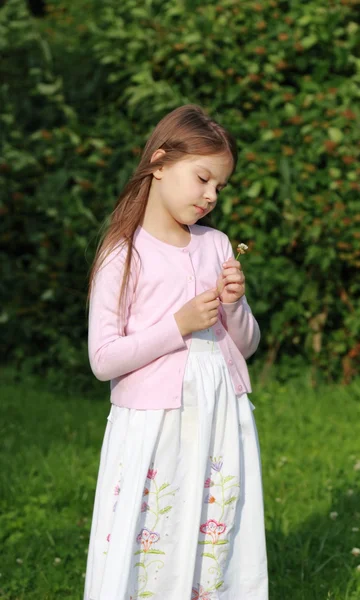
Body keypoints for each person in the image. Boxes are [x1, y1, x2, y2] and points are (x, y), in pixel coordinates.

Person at [83, 104, 268, 600]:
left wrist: (236, 304)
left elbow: (245, 345)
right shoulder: (123, 254)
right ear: (160, 163)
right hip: (156, 422)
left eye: (219, 187)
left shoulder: (217, 245)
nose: (211, 196)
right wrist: (178, 326)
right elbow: (103, 359)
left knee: (217, 522)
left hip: (221, 415)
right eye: (203, 178)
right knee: (157, 528)